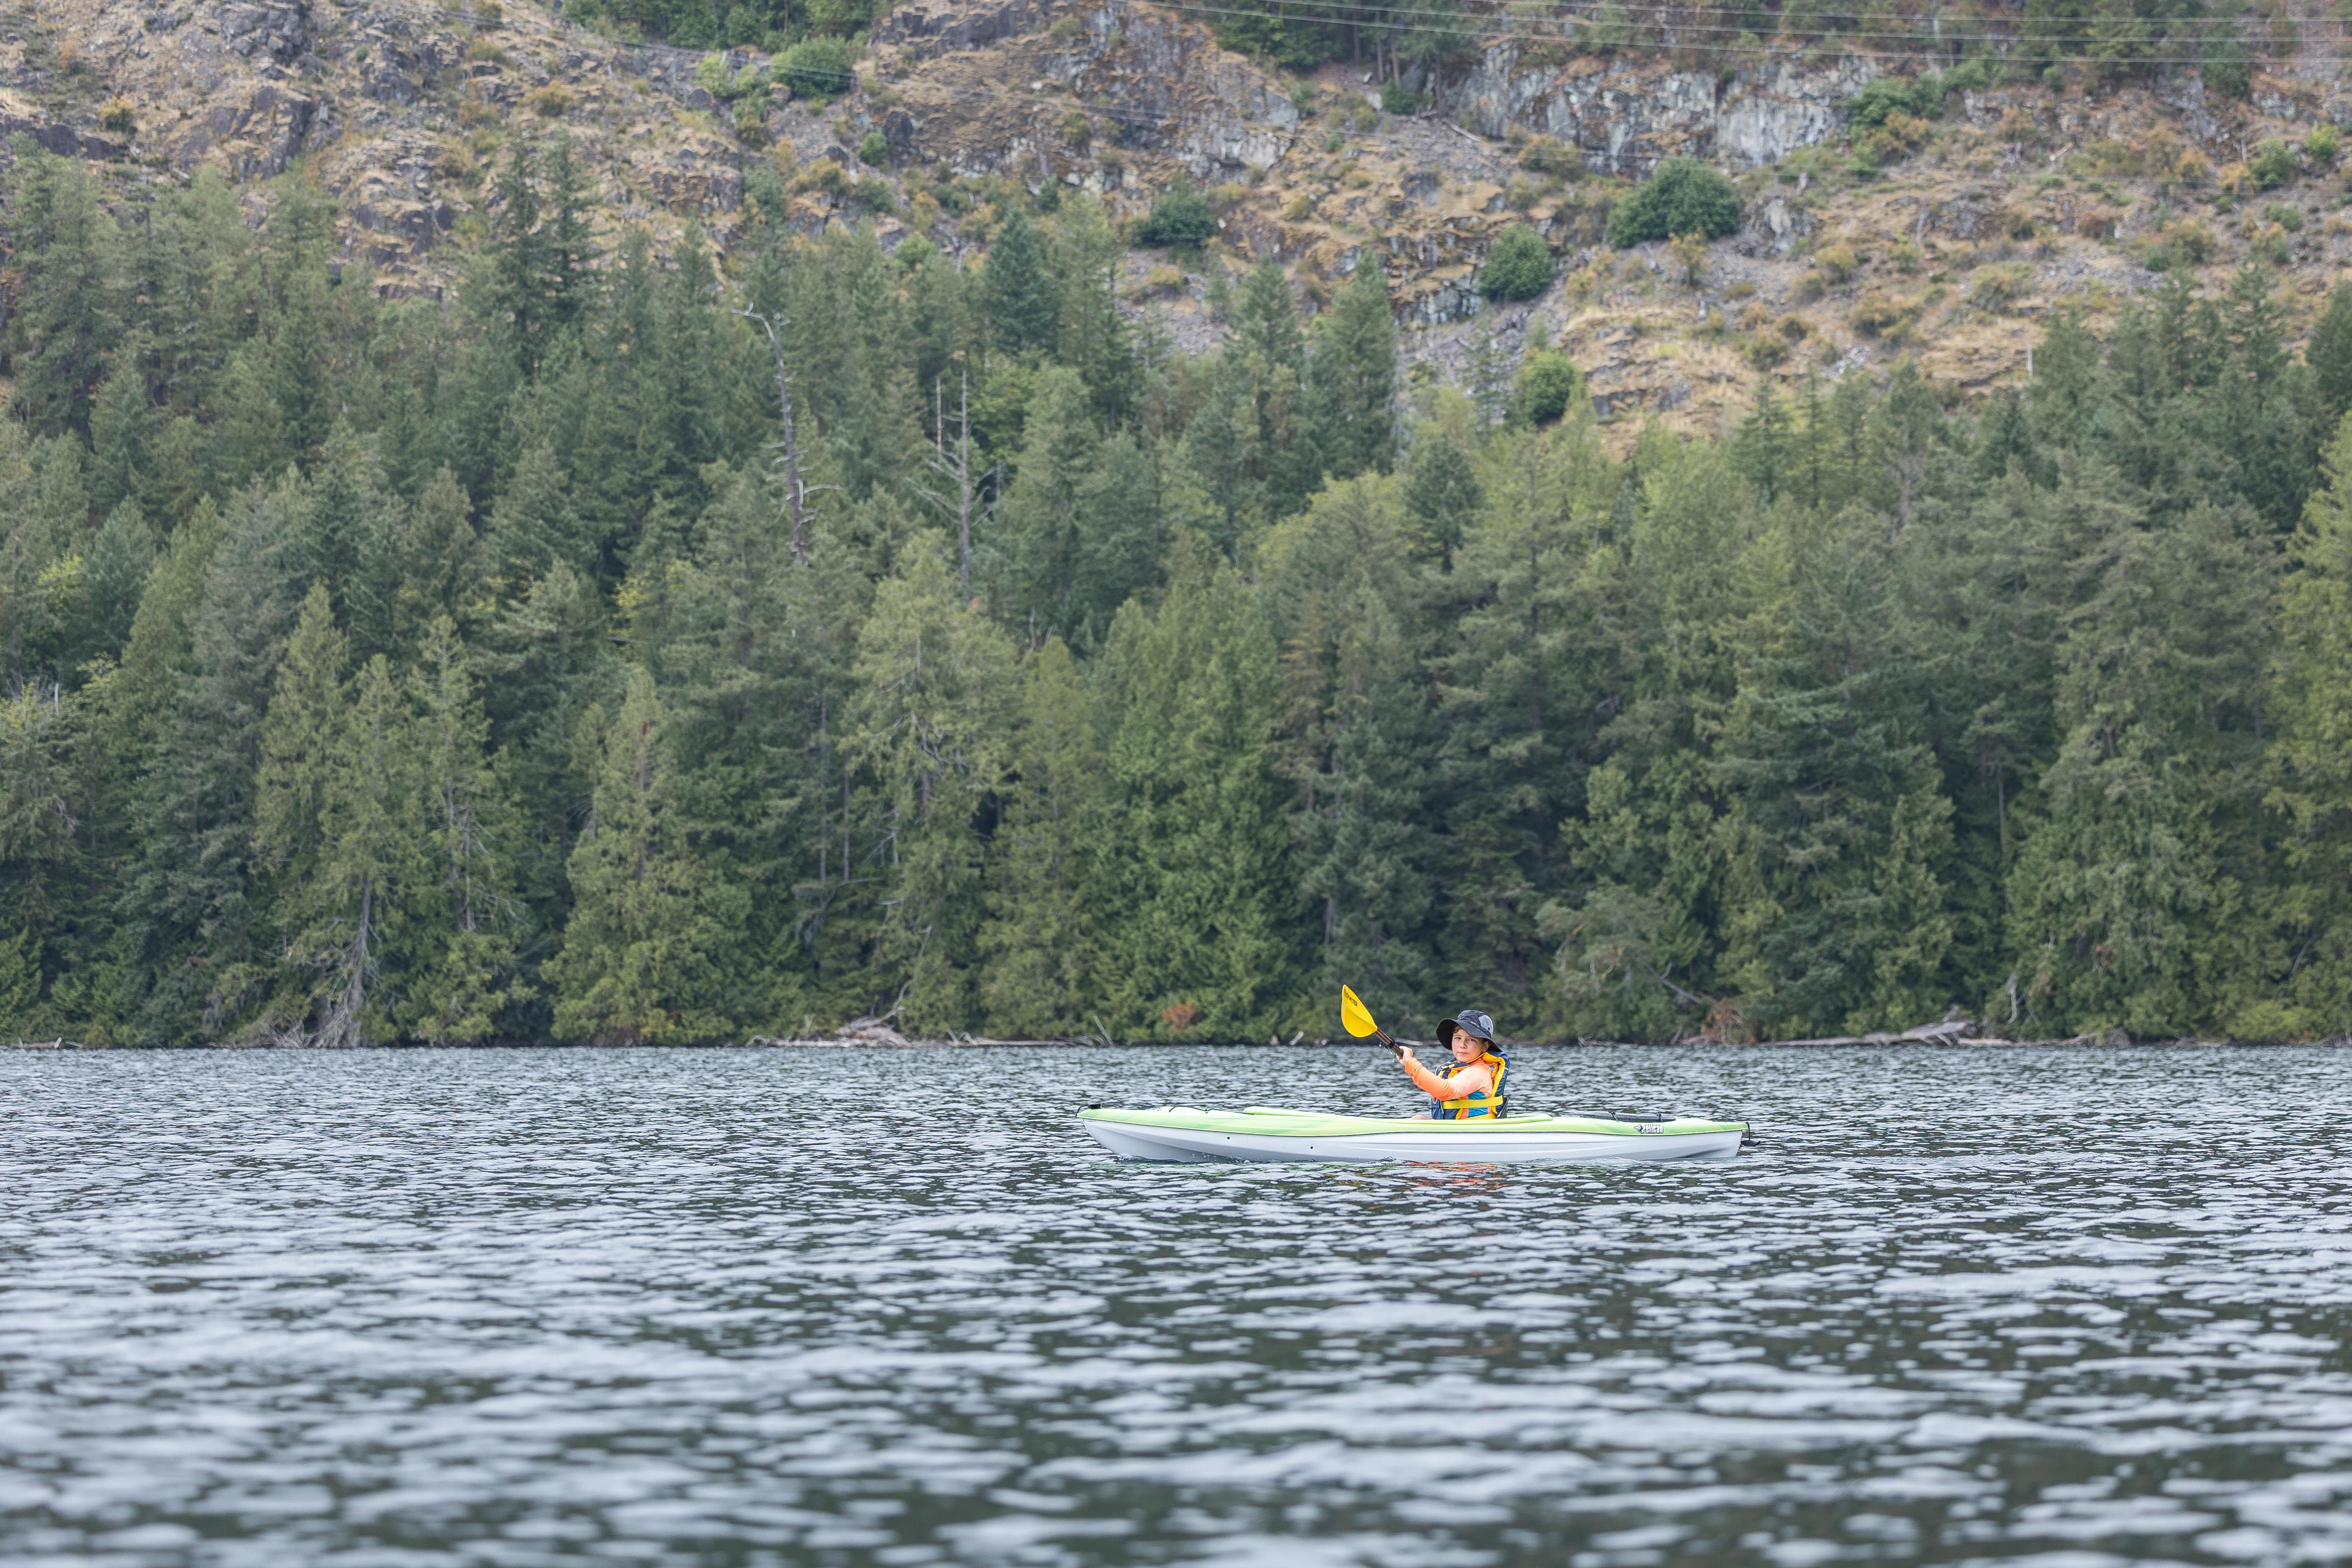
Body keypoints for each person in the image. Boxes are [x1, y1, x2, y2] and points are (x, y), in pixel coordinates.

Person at [1392, 1008, 1508, 1119]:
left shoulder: (1478, 1072)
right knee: (1419, 1119)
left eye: (1471, 1040)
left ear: (1485, 1047)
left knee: (1417, 1120)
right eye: (1458, 1038)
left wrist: (1410, 1063)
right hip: (1460, 1130)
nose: (1463, 1045)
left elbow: (1445, 1090)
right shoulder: (1462, 1067)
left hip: (1471, 1132)